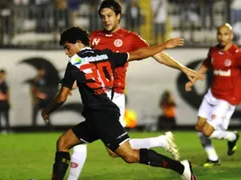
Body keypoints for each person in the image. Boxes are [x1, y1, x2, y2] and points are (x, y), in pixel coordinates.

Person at [68, 1, 204, 179]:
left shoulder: (129, 38)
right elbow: (86, 65)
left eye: (109, 16)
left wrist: (184, 69)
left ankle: (168, 152)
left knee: (107, 148)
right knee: (109, 148)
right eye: (103, 17)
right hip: (96, 95)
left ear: (118, 16)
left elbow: (157, 55)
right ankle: (163, 144)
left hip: (113, 96)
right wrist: (74, 82)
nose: (106, 20)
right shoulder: (93, 37)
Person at [41, 26, 198, 180]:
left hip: (100, 115)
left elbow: (62, 97)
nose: (66, 52)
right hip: (98, 115)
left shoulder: (74, 63)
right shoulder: (106, 55)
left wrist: (47, 110)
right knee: (63, 142)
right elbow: (139, 54)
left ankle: (181, 168)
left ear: (78, 43)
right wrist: (164, 45)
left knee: (130, 156)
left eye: (67, 47)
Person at [185, 23, 240, 167]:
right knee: (199, 127)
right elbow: (206, 63)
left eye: (226, 34)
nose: (222, 37)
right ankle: (213, 158)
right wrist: (193, 80)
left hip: (227, 99)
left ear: (231, 36)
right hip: (212, 94)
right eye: (220, 34)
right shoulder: (214, 50)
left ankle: (233, 136)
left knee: (207, 131)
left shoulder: (236, 54)